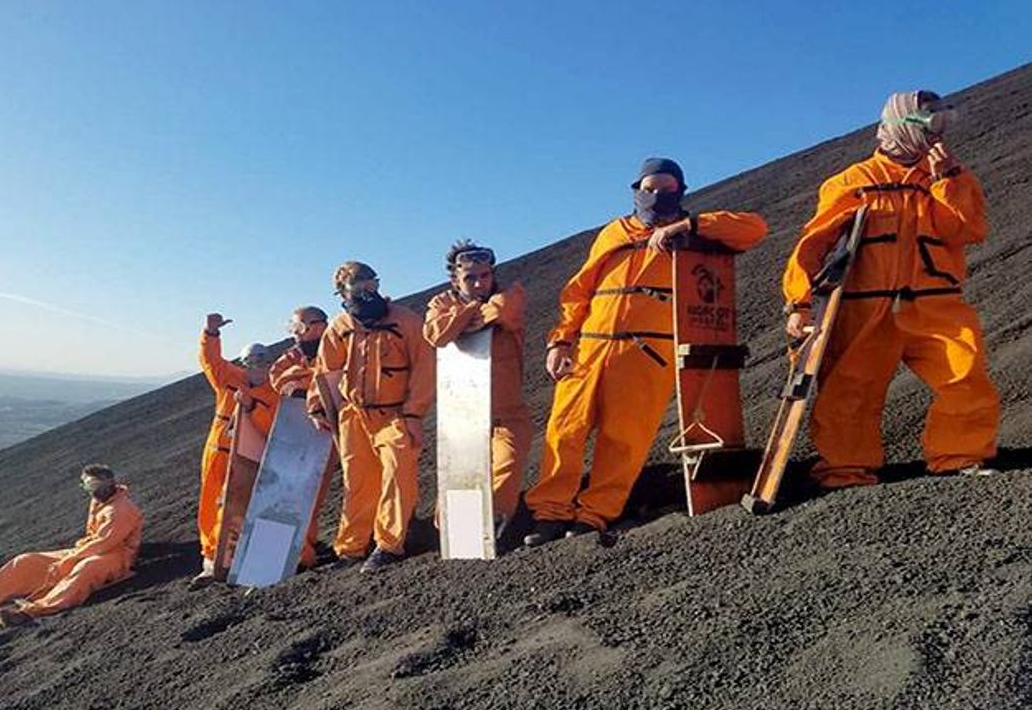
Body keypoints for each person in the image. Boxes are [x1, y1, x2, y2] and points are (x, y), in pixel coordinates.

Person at [524, 158, 767, 545]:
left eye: (667, 189)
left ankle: (594, 514)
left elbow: (754, 228)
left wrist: (689, 225)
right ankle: (549, 513)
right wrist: (560, 340)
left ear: (681, 192)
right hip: (588, 350)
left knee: (625, 437)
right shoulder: (612, 233)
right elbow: (578, 292)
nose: (656, 196)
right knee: (564, 431)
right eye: (650, 188)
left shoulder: (696, 234)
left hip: (647, 354)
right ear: (636, 189)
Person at [782, 90, 999, 488]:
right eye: (930, 122)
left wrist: (947, 181)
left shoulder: (948, 176)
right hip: (867, 307)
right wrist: (798, 303)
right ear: (901, 125)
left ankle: (959, 456)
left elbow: (968, 230)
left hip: (935, 305)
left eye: (942, 122)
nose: (938, 133)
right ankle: (846, 470)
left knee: (964, 377)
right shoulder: (854, 181)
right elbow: (813, 244)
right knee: (850, 391)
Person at [307, 261, 435, 573]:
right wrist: (317, 405)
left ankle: (389, 546)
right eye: (358, 285)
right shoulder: (339, 328)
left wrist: (414, 413)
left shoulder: (405, 321)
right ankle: (351, 549)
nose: (367, 289)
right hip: (355, 416)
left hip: (396, 414)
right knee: (358, 482)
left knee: (397, 476)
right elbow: (325, 371)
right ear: (342, 292)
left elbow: (425, 367)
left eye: (371, 282)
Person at [0, 464, 143, 626]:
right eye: (87, 485)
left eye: (95, 485)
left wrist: (71, 558)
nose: (91, 491)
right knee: (27, 561)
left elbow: (104, 544)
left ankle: (31, 612)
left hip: (115, 556)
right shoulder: (100, 501)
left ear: (110, 483)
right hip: (87, 549)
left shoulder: (121, 510)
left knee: (85, 569)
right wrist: (72, 555)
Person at [423, 240, 532, 529]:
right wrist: (474, 311)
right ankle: (458, 536)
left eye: (484, 276)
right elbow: (435, 334)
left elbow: (503, 311)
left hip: (507, 412)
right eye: (469, 278)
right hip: (464, 414)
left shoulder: (512, 293)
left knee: (506, 470)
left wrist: (460, 320)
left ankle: (493, 527)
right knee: (455, 494)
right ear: (454, 279)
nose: (479, 283)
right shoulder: (440, 303)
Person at [192, 313, 279, 587]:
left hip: (245, 460)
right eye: (250, 362)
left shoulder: (274, 394)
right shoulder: (229, 379)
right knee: (209, 507)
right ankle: (210, 560)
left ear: (269, 363)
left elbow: (271, 427)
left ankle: (231, 558)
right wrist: (211, 333)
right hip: (217, 453)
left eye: (262, 362)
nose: (256, 367)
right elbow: (210, 362)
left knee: (232, 510)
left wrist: (253, 407)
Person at [266, 305, 331, 569]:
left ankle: (367, 541)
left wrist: (306, 382)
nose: (296, 335)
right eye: (293, 329)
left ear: (320, 325)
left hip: (348, 422)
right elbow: (278, 378)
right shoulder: (294, 355)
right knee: (303, 490)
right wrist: (309, 384)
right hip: (306, 429)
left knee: (364, 483)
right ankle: (301, 552)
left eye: (301, 328)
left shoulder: (340, 343)